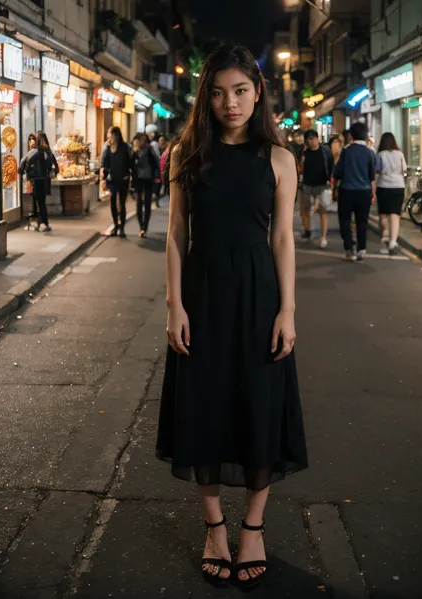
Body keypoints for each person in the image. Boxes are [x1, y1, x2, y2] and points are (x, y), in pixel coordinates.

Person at [156, 44, 308, 590]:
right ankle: (215, 529)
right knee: (203, 408)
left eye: (241, 90)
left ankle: (253, 529)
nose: (230, 102)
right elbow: (175, 234)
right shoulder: (186, 154)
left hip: (260, 298)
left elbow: (284, 238)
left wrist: (287, 310)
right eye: (218, 92)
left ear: (258, 92)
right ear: (206, 96)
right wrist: (174, 305)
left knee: (260, 408)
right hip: (201, 295)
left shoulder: (279, 158)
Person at [333, 121, 378, 261]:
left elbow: (337, 172)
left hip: (346, 190)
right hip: (364, 191)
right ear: (365, 135)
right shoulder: (369, 153)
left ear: (351, 135)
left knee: (345, 219)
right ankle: (361, 249)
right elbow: (372, 175)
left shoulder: (346, 151)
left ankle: (349, 247)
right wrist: (373, 193)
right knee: (362, 221)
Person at [19, 132, 59, 232]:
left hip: (36, 181)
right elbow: (56, 168)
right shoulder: (49, 152)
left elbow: (23, 165)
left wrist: (27, 172)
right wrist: (50, 172)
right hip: (45, 181)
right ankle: (43, 223)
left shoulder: (34, 152)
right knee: (41, 203)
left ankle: (42, 223)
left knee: (39, 203)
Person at [301, 130, 333, 247]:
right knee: (306, 208)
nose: (312, 141)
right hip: (307, 184)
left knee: (322, 211)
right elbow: (301, 168)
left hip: (322, 185)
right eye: (309, 139)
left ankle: (324, 237)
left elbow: (330, 165)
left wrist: (330, 180)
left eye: (313, 138)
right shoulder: (305, 153)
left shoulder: (325, 151)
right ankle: (307, 230)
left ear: (317, 138)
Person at [376, 133, 407, 255]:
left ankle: (385, 234)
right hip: (398, 186)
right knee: (395, 215)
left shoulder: (380, 155)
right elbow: (404, 169)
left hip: (383, 186)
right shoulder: (399, 154)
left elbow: (376, 172)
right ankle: (393, 242)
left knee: (383, 214)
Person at [101, 126, 132, 238]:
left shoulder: (125, 147)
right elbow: (104, 164)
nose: (109, 136)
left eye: (110, 134)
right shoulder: (107, 148)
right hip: (112, 179)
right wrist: (103, 178)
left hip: (123, 179)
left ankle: (122, 228)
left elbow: (130, 162)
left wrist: (129, 176)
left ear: (116, 135)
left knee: (122, 204)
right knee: (113, 202)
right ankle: (115, 225)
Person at [132, 132, 160, 238]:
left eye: (144, 139)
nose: (142, 142)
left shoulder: (150, 150)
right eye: (141, 139)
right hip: (138, 180)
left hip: (148, 180)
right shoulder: (134, 151)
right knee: (139, 203)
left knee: (147, 203)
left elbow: (156, 164)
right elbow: (131, 166)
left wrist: (157, 177)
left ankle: (145, 226)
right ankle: (141, 227)